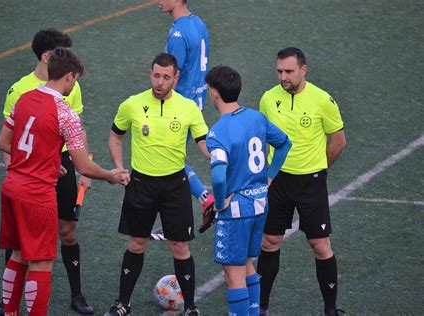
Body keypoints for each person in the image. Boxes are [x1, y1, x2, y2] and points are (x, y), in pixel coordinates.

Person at [0, 47, 129, 316]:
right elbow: (83, 165)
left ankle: (10, 313)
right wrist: (109, 175)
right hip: (36, 195)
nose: (75, 83)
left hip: (12, 188)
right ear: (68, 76)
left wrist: (46, 162)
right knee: (41, 262)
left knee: (18, 255)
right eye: (76, 78)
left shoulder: (24, 98)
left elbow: (4, 143)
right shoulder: (65, 113)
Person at [0, 28, 96, 315]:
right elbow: (8, 144)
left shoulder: (66, 90)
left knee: (66, 231)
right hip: (34, 178)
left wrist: (75, 170)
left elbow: (77, 127)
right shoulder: (20, 90)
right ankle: (9, 304)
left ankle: (76, 295)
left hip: (56, 164)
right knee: (34, 254)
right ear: (49, 57)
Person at [105, 53, 209, 316]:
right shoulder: (132, 104)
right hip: (141, 184)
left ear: (176, 78)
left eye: (166, 77)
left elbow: (203, 142)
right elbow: (115, 136)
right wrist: (119, 166)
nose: (159, 82)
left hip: (175, 186)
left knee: (180, 246)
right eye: (156, 75)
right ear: (150, 74)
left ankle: (191, 307)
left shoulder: (188, 108)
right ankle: (123, 303)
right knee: (137, 243)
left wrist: (219, 156)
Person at [256, 47, 347, 316]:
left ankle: (330, 309)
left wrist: (319, 167)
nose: (283, 77)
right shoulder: (268, 99)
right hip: (278, 183)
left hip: (311, 183)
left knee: (320, 246)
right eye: (280, 71)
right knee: (270, 243)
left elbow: (338, 141)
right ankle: (261, 307)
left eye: (289, 71)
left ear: (303, 70)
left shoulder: (322, 100)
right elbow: (262, 140)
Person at [205, 65, 291, 316]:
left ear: (214, 94)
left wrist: (219, 202)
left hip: (235, 212)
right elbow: (284, 143)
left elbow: (219, 175)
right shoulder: (256, 118)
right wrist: (270, 176)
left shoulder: (217, 133)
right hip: (260, 204)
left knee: (233, 276)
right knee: (247, 265)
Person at [159, 0, 215, 232]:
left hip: (178, 106)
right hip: (196, 101)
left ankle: (175, 224)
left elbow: (172, 74)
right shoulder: (198, 23)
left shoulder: (179, 33)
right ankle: (205, 198)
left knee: (166, 162)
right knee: (172, 159)